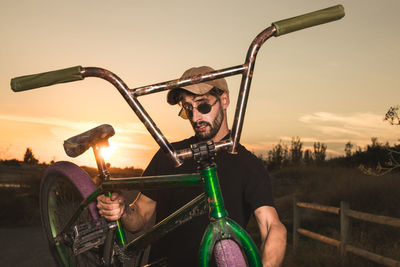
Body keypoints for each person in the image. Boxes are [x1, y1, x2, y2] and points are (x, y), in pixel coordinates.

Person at [97, 66, 287, 266]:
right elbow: (140, 216)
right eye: (188, 109)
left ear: (224, 100)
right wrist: (122, 211)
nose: (195, 118)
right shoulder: (169, 156)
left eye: (202, 106)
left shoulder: (248, 165)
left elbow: (273, 227)